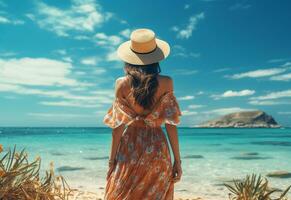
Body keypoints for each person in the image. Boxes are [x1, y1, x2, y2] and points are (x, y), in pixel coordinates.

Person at [103, 28, 183, 200]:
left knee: (124, 194)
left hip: (130, 145)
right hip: (157, 148)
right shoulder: (167, 82)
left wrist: (111, 162)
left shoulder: (121, 84)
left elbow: (117, 127)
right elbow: (170, 125)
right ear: (156, 57)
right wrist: (178, 160)